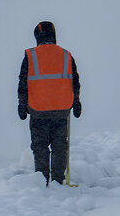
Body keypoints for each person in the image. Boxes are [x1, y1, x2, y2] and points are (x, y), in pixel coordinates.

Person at [18, 21, 81, 185]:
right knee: (60, 146)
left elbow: (23, 83)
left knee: (40, 147)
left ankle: (42, 180)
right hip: (61, 110)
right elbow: (74, 81)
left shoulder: (30, 56)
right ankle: (58, 182)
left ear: (37, 36)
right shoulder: (66, 55)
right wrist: (77, 102)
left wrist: (21, 105)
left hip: (38, 110)